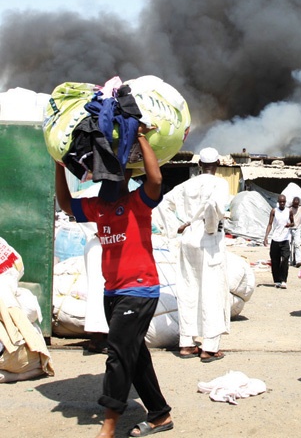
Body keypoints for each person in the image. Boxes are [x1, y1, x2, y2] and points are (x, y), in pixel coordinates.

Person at [55, 125, 173, 438]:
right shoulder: (100, 208)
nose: (108, 180)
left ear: (124, 178)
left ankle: (108, 427)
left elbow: (157, 180)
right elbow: (67, 205)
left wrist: (142, 138)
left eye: (114, 175)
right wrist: (58, 166)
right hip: (113, 292)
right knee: (135, 357)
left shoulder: (139, 202)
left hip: (140, 289)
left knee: (118, 355)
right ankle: (160, 415)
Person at [165, 147, 232, 362]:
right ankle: (209, 347)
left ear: (199, 164)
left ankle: (186, 343)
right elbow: (213, 206)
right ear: (218, 164)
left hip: (188, 239)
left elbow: (164, 203)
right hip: (209, 239)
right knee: (212, 290)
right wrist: (211, 227)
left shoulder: (185, 184)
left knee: (188, 288)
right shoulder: (220, 183)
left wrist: (177, 226)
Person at [264, 194, 295, 288]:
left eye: (283, 202)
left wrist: (289, 225)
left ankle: (283, 280)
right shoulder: (274, 211)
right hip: (275, 239)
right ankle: (277, 280)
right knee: (275, 260)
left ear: (285, 202)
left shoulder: (289, 211)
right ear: (278, 202)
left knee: (285, 259)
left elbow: (293, 223)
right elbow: (270, 224)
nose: (282, 203)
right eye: (280, 202)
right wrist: (266, 236)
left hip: (285, 239)